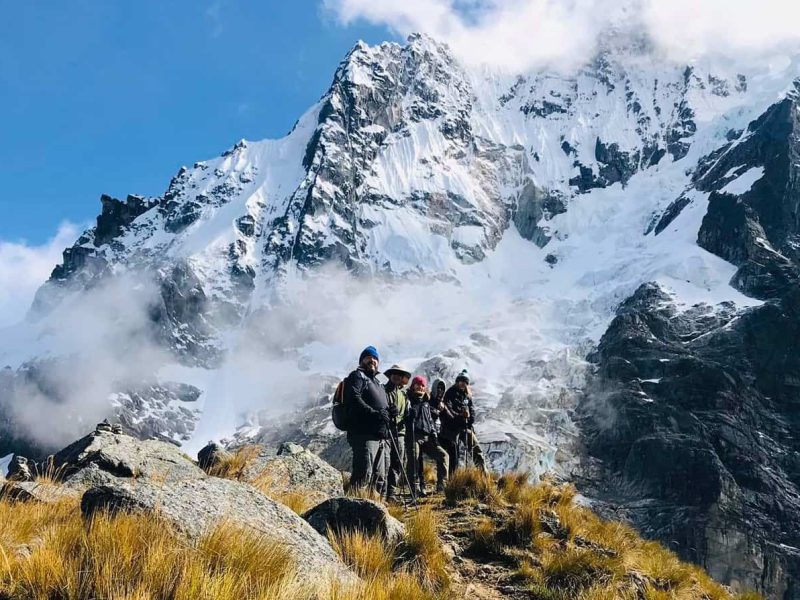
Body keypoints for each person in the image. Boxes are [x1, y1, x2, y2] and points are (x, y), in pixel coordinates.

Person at [344, 346, 391, 494]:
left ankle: (374, 506)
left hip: (380, 435)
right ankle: (353, 504)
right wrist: (375, 413)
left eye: (375, 358)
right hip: (363, 434)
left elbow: (383, 407)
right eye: (368, 357)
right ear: (361, 361)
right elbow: (354, 398)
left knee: (379, 477)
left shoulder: (378, 383)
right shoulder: (357, 376)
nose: (372, 360)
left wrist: (390, 411)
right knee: (364, 473)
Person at [405, 375, 450, 495]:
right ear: (413, 385)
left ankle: (442, 486)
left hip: (427, 436)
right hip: (413, 435)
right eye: (417, 384)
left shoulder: (426, 402)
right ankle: (415, 488)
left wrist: (434, 435)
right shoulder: (408, 399)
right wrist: (409, 416)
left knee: (443, 455)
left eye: (422, 385)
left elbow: (430, 420)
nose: (420, 387)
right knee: (414, 460)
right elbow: (404, 417)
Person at [439, 369, 486, 474]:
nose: (462, 383)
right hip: (451, 428)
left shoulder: (467, 396)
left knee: (476, 449)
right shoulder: (450, 393)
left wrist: (469, 419)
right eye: (461, 381)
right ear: (457, 381)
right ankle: (453, 478)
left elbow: (472, 411)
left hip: (464, 427)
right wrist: (461, 417)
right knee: (453, 455)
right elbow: (448, 410)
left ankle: (484, 475)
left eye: (465, 382)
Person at [383, 364, 411, 502]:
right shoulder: (382, 391)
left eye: (400, 374)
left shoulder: (403, 395)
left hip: (399, 433)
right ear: (390, 375)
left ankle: (391, 493)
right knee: (385, 463)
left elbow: (405, 415)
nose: (397, 376)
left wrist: (410, 416)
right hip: (386, 433)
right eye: (394, 373)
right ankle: (382, 493)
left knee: (397, 463)